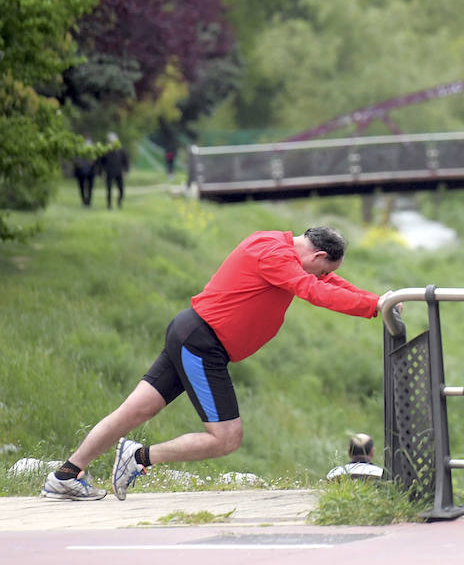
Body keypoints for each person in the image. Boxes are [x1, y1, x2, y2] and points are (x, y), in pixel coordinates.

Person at [40, 227, 395, 501]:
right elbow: (313, 290)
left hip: (193, 334)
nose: (321, 277)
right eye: (321, 270)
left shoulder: (284, 249)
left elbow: (328, 281)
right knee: (226, 438)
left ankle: (65, 476)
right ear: (317, 254)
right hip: (201, 343)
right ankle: (140, 457)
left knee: (133, 411)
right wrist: (370, 308)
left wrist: (378, 299)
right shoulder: (273, 253)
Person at [97, 132, 129, 210]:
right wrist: (101, 172)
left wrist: (126, 171)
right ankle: (109, 205)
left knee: (121, 190)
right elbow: (101, 162)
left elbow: (126, 161)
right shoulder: (105, 150)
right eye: (111, 140)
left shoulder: (121, 150)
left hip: (119, 172)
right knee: (109, 190)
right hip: (109, 172)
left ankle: (119, 201)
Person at [73, 137, 96, 207]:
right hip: (81, 172)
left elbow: (97, 162)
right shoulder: (80, 152)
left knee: (90, 188)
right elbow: (76, 162)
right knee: (82, 187)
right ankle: (83, 201)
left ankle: (88, 201)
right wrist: (79, 165)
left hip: (91, 172)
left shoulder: (93, 153)